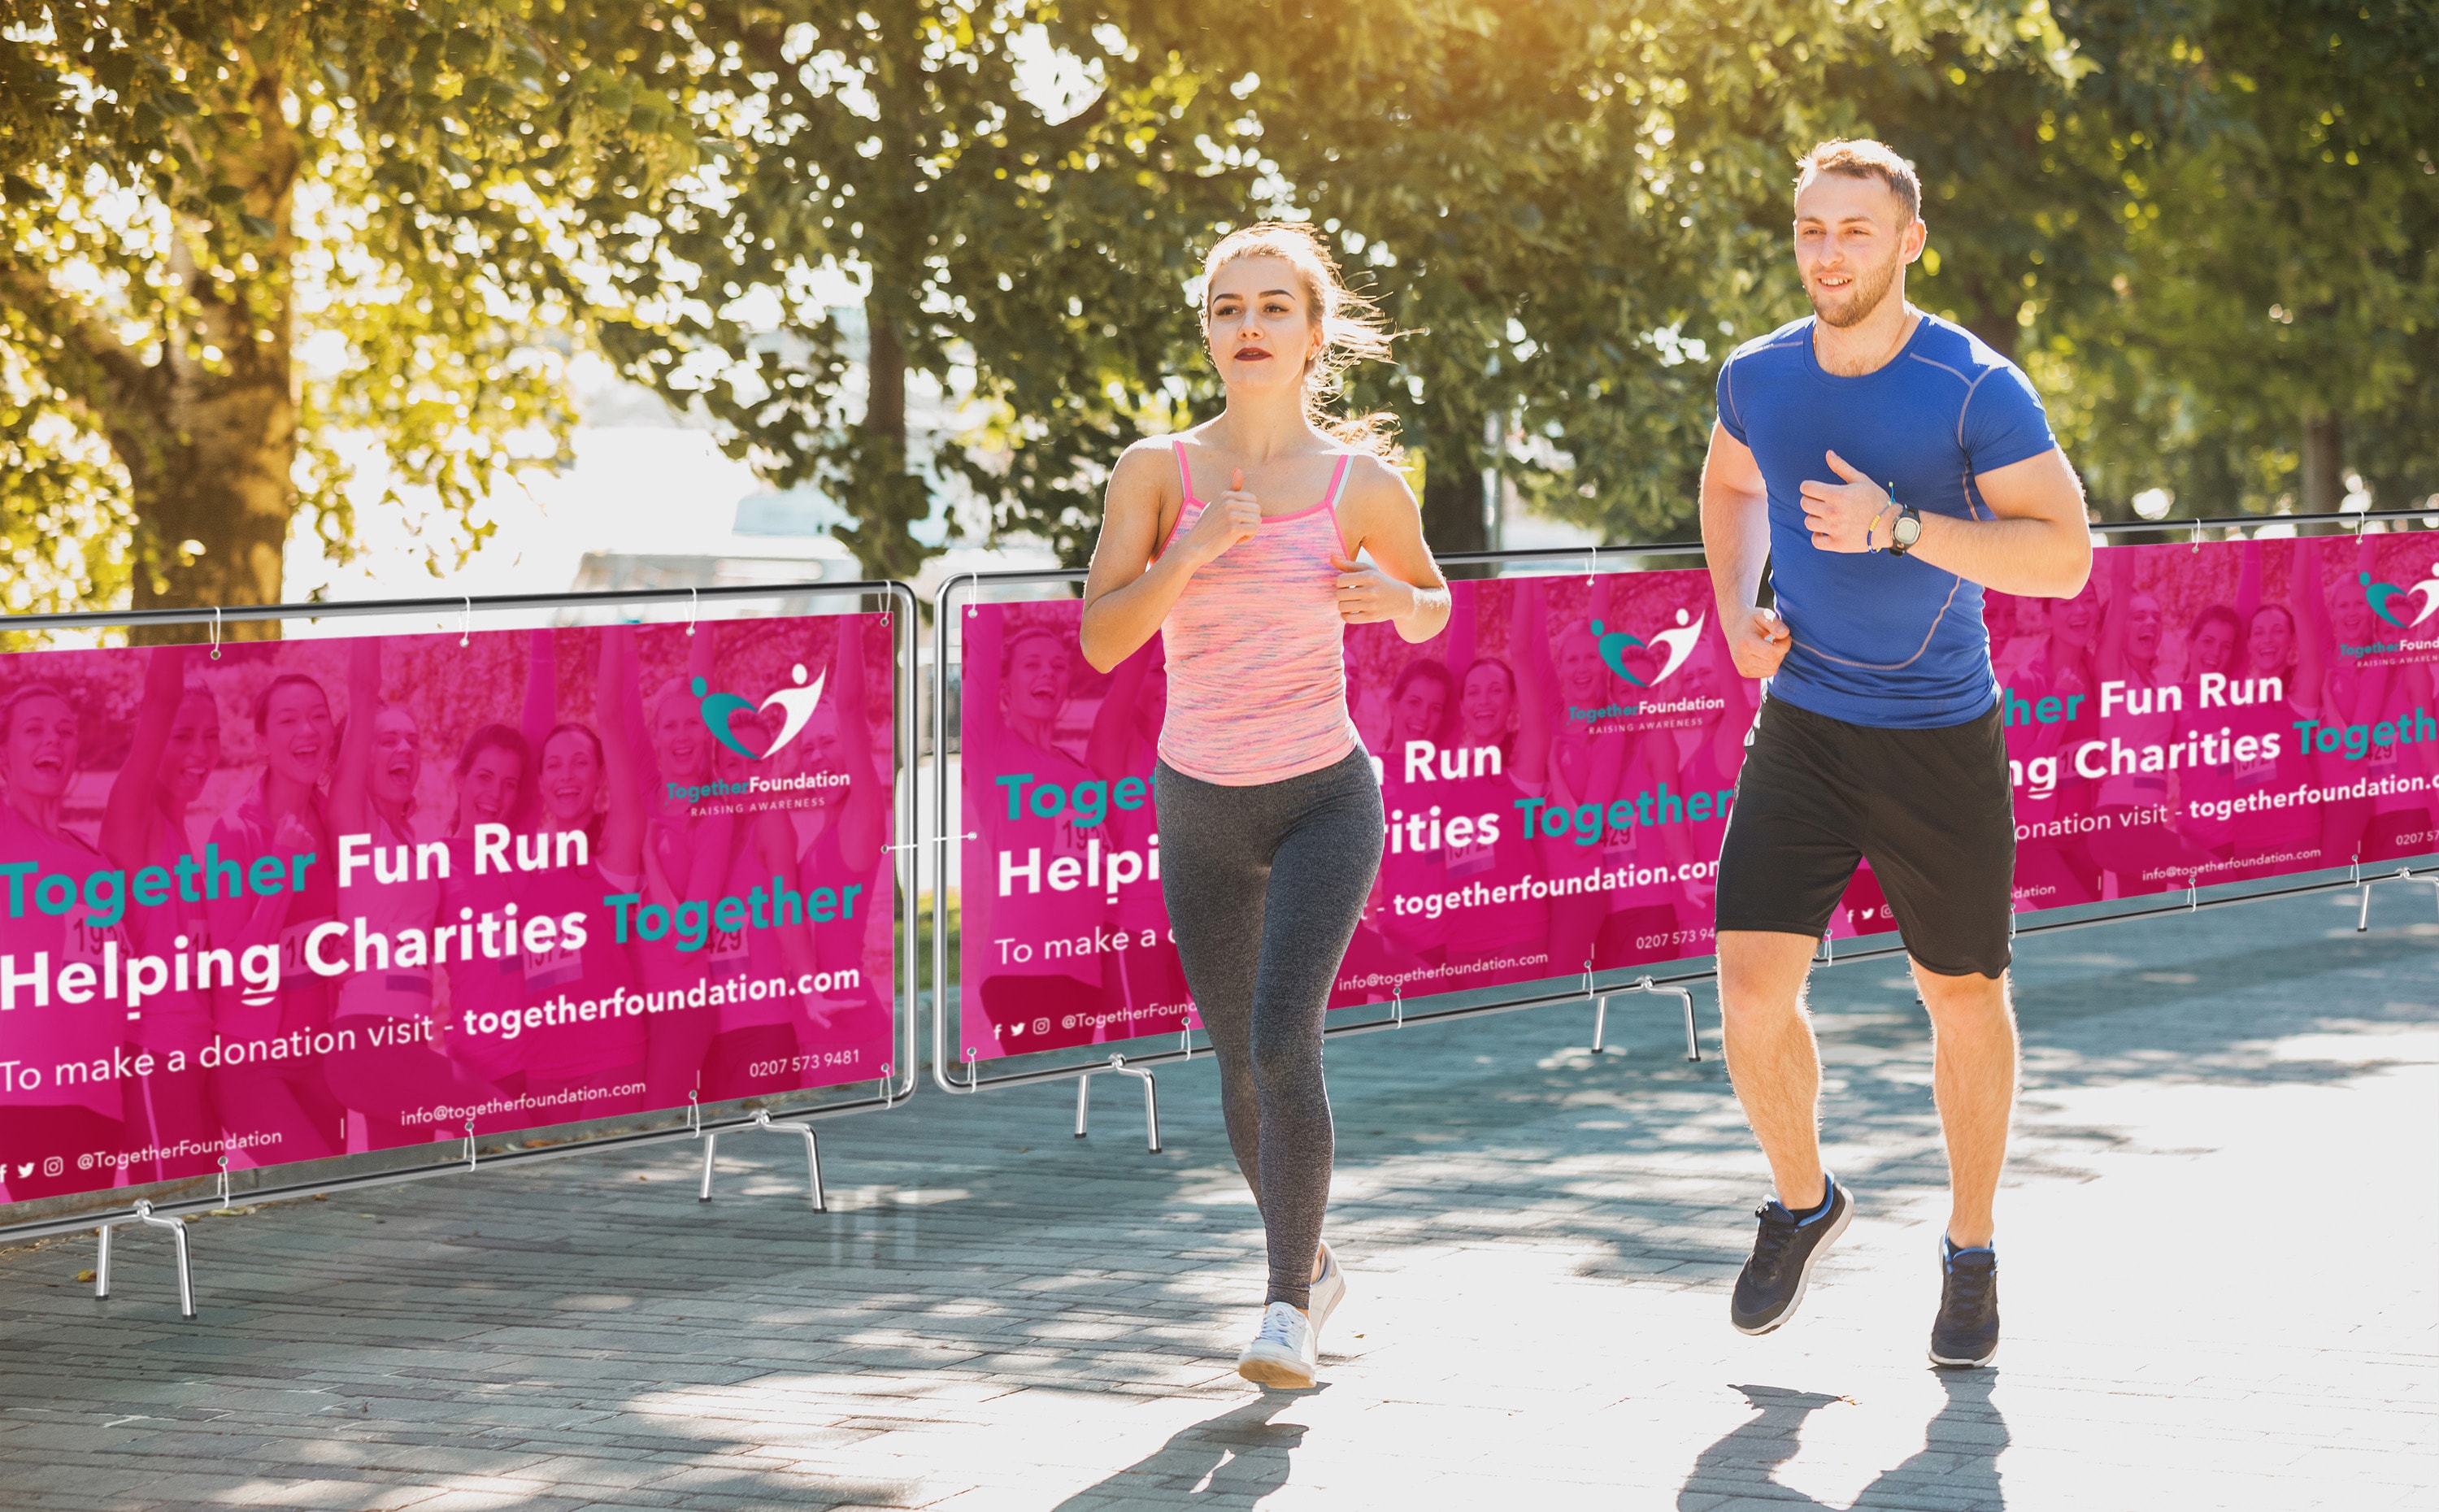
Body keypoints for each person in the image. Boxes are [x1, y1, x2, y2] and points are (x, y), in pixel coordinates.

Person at [1698, 140, 2092, 1370]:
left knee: (1961, 994)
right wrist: (1734, 608)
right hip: (1806, 721)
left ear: (1908, 242)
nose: (1829, 253)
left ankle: (1969, 1248)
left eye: (1855, 231)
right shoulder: (1757, 374)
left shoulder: (1974, 386)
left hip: (1936, 735)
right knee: (1751, 989)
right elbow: (1727, 487)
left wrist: (1904, 527)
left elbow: (2066, 556)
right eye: (1813, 229)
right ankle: (1803, 1201)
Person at [1079, 222, 1450, 1389]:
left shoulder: (1360, 485)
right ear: (1209, 333)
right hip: (1201, 803)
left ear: (1312, 334)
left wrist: (1394, 595)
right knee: (1240, 1066)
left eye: (1274, 307)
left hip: (1323, 800)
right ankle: (1315, 1259)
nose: (1251, 326)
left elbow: (1435, 605)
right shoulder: (1157, 474)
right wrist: (1189, 553)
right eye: (1230, 308)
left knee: (1287, 1040)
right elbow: (1101, 642)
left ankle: (1286, 1308)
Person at [0, 684, 133, 1200]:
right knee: (57, 1256)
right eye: (33, 730)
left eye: (65, 731)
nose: (52, 741)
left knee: (83, 1255)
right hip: (29, 1097)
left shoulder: (95, 860)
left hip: (102, 1099)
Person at [99, 649, 224, 1180]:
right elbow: (161, 698)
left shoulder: (184, 841)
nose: (200, 751)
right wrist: (172, 621)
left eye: (211, 736)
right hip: (155, 1059)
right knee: (169, 1214)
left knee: (205, 1220)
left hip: (200, 1061)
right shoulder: (133, 818)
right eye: (182, 737)